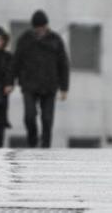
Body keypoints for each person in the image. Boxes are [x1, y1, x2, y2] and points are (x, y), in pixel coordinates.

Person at [11, 10, 70, 148]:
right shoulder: (25, 39)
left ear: (46, 26)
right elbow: (15, 62)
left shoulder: (55, 40)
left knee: (47, 119)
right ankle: (32, 140)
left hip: (49, 86)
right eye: (37, 28)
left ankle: (45, 146)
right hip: (29, 85)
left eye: (43, 27)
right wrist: (10, 82)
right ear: (33, 27)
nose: (40, 30)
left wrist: (64, 88)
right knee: (29, 116)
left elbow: (63, 64)